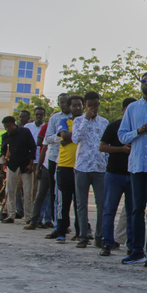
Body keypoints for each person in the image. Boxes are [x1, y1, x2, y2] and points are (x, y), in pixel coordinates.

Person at [117, 72, 147, 266]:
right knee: (136, 209)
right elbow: (122, 136)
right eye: (143, 81)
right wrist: (138, 131)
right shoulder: (132, 108)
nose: (146, 84)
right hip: (136, 166)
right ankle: (136, 250)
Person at [98, 97, 135, 257]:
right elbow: (102, 147)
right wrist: (121, 149)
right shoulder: (114, 126)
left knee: (133, 211)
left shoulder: (139, 129)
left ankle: (132, 245)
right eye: (127, 110)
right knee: (109, 209)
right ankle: (107, 242)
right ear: (122, 110)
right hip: (114, 174)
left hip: (133, 174)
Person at [72, 91, 108, 248]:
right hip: (82, 167)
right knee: (81, 203)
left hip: (99, 168)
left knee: (102, 203)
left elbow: (105, 145)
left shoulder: (104, 122)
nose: (93, 109)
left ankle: (99, 235)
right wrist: (86, 120)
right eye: (89, 106)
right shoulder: (78, 120)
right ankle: (83, 235)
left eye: (95, 105)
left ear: (98, 105)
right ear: (85, 106)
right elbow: (75, 139)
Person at [50, 95, 84, 243]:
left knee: (80, 202)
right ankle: (61, 231)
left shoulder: (86, 122)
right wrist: (75, 136)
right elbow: (63, 135)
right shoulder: (63, 121)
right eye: (74, 105)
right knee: (63, 201)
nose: (77, 108)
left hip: (80, 166)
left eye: (80, 105)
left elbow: (69, 138)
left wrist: (70, 138)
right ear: (69, 107)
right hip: (64, 166)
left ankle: (80, 232)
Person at [40, 94, 72, 235]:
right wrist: (61, 138)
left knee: (71, 195)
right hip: (54, 158)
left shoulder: (76, 117)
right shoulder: (54, 118)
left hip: (71, 159)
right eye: (61, 102)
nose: (63, 105)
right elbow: (47, 139)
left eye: (66, 102)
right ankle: (57, 225)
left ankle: (70, 224)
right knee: (55, 194)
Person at [1, 115, 37, 224]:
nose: (8, 129)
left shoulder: (25, 132)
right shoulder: (5, 136)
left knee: (27, 192)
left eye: (9, 126)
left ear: (14, 124)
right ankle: (11, 214)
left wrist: (31, 163)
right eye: (6, 127)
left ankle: (28, 217)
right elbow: (3, 149)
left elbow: (33, 147)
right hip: (12, 165)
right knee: (11, 190)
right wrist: (4, 158)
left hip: (25, 165)